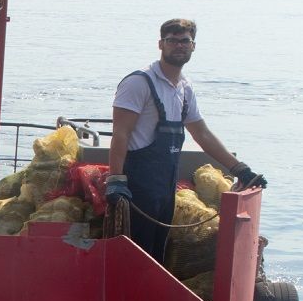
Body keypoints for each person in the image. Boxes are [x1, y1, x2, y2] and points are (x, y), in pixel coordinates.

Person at [105, 18, 266, 263]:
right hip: (138, 185)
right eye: (172, 40)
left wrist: (239, 169)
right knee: (136, 254)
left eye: (184, 41)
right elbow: (121, 134)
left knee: (158, 253)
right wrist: (116, 180)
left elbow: (201, 133)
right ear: (160, 44)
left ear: (193, 46)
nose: (178, 46)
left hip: (166, 184)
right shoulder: (139, 82)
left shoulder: (185, 88)